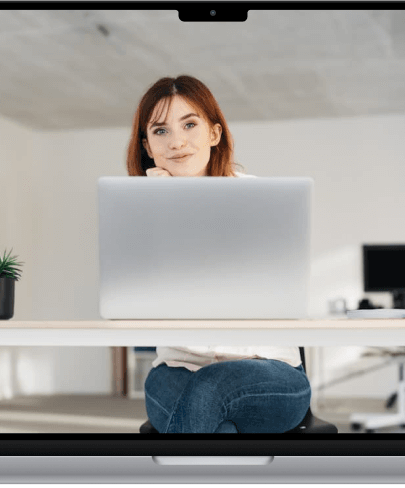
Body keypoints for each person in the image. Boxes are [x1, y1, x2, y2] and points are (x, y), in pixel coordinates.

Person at [125, 75, 311, 433]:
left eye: (190, 124)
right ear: (148, 146)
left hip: (268, 371)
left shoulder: (261, 201)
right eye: (160, 131)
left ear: (214, 133)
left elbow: (277, 292)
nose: (177, 142)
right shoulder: (138, 214)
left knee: (210, 389)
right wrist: (163, 207)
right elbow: (134, 304)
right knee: (214, 422)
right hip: (178, 370)